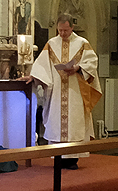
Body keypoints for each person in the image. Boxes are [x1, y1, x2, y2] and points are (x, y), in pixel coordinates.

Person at [19, 13, 102, 169]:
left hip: (75, 91)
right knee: (57, 123)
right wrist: (33, 76)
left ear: (72, 27)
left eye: (65, 30)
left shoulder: (82, 43)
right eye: (60, 30)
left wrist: (78, 68)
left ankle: (72, 160)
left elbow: (92, 63)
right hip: (56, 92)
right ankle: (59, 158)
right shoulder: (51, 44)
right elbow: (43, 65)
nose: (62, 34)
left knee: (75, 124)